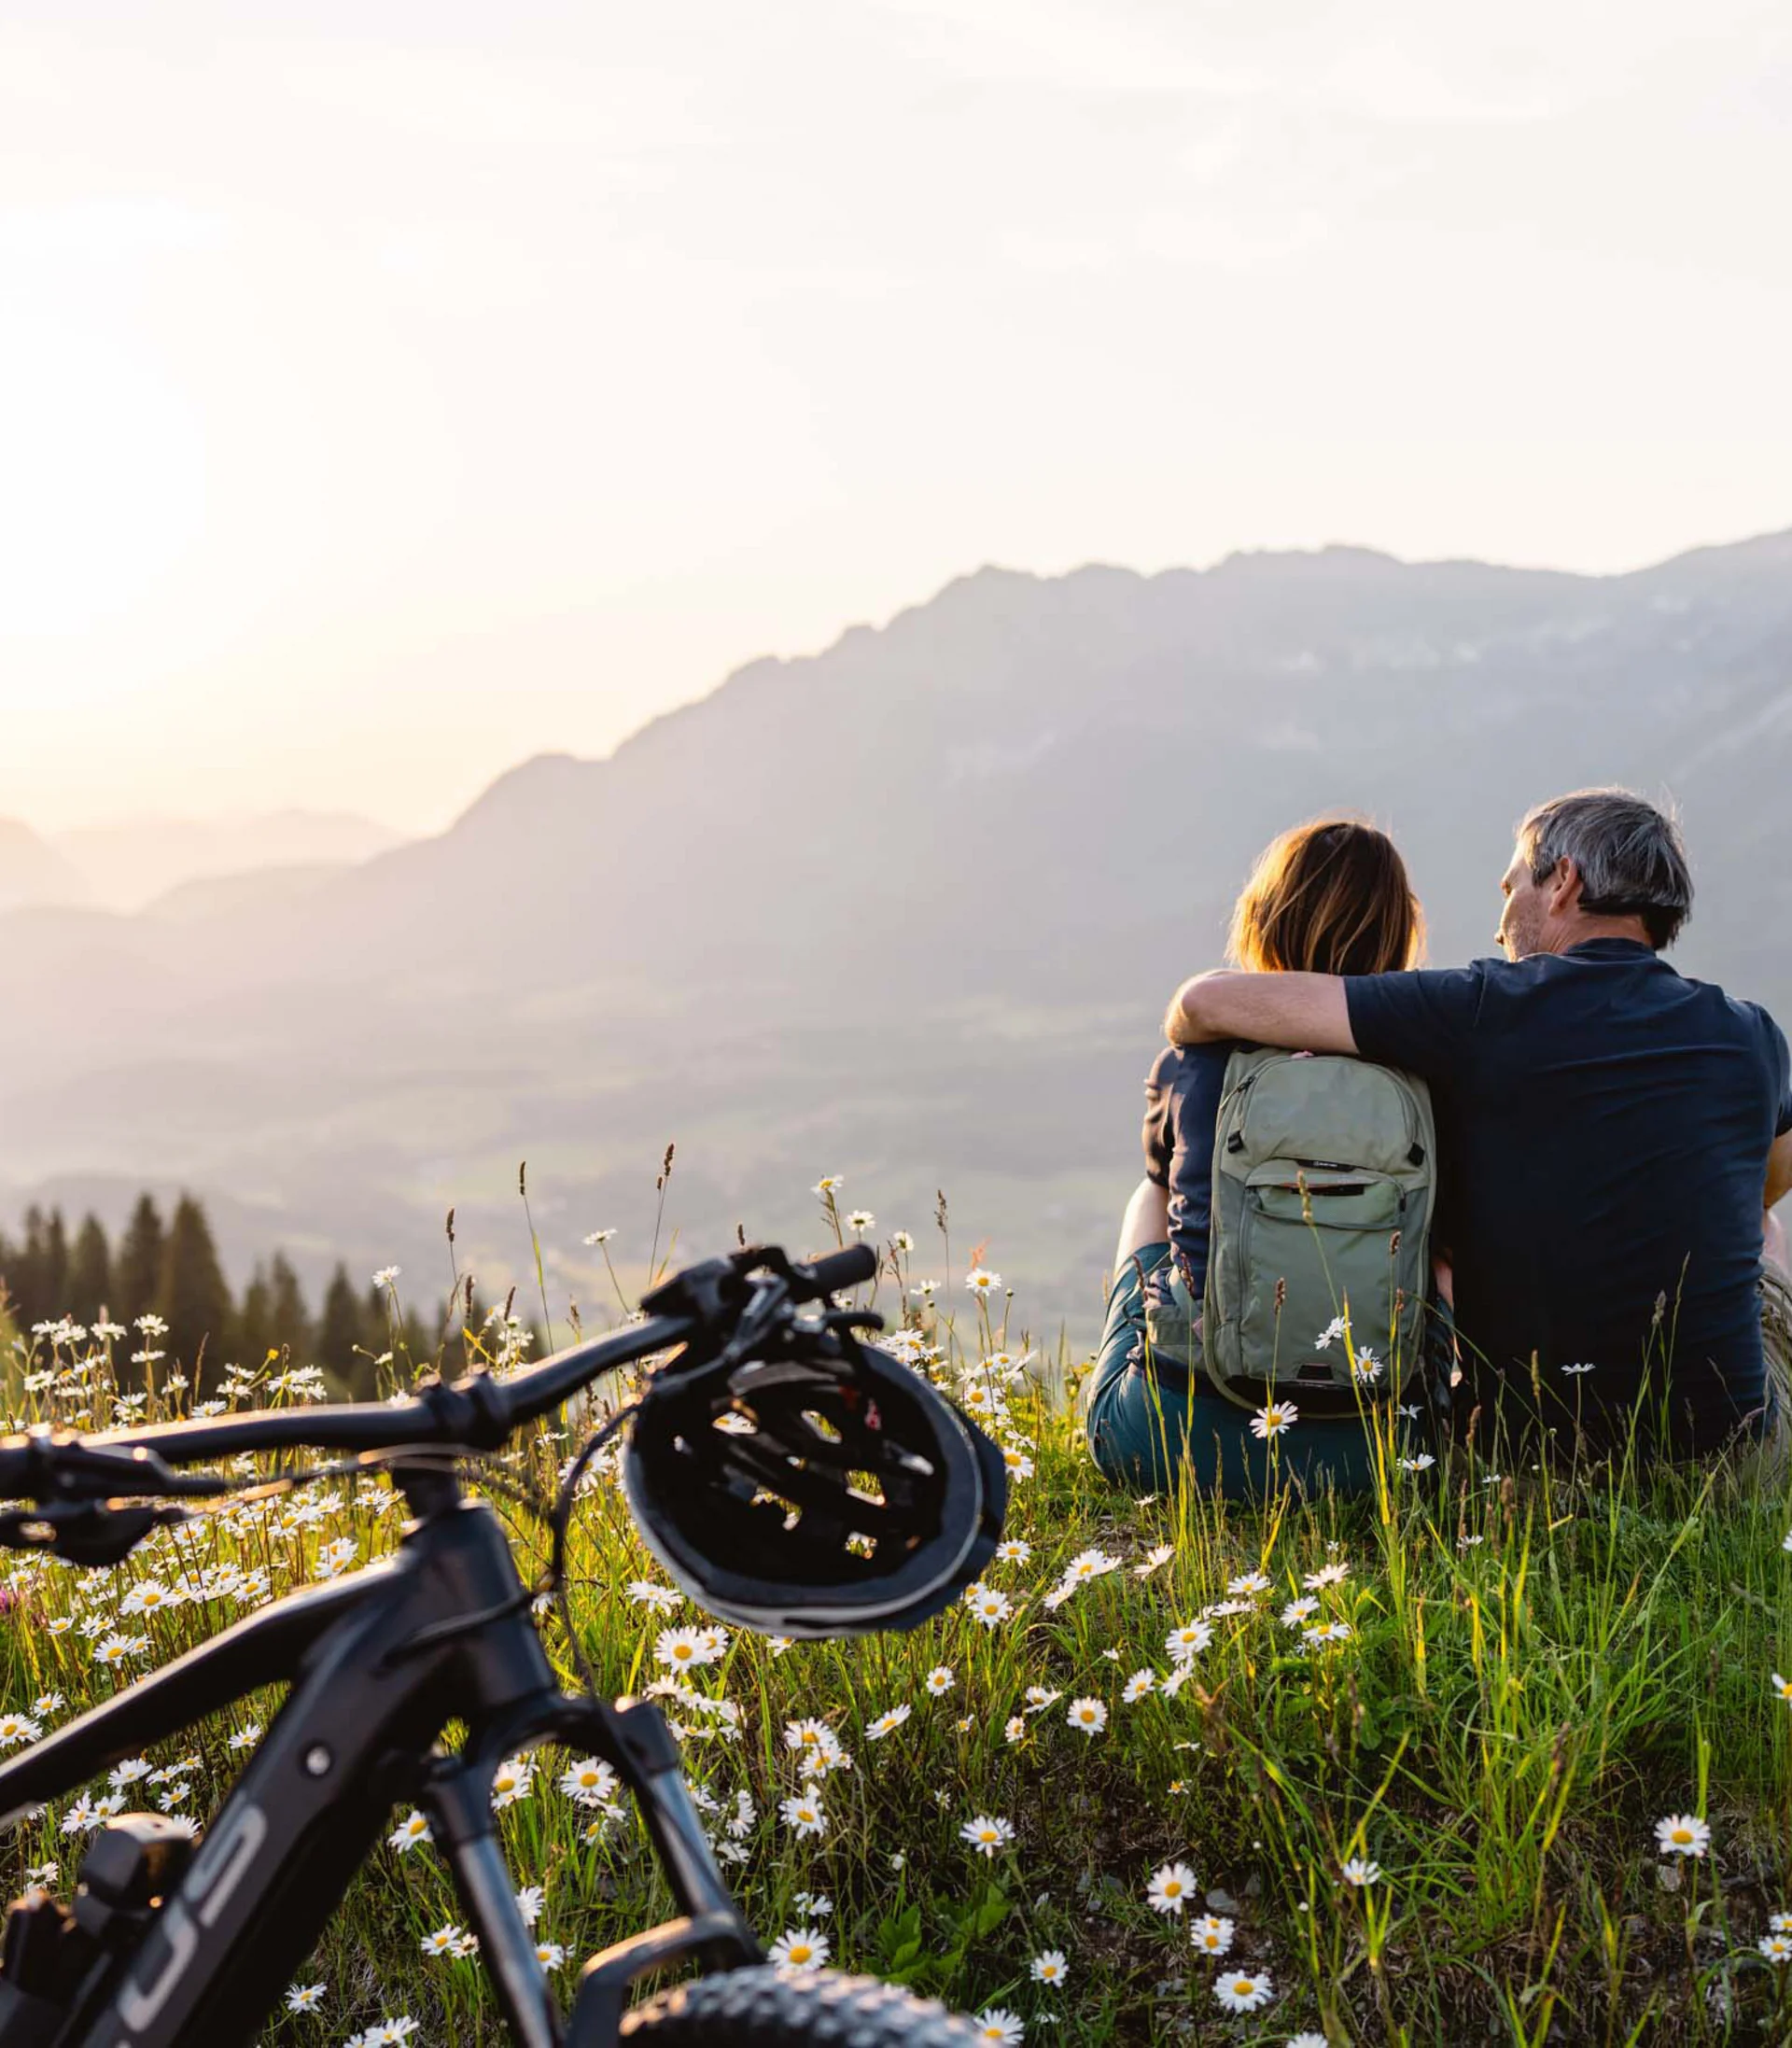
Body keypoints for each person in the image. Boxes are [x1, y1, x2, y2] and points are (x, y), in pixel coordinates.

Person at [1164, 788, 1792, 1466]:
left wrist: (1178, 1038)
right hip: (1727, 1464)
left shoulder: (1478, 1009)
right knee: (1765, 1228)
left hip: (1527, 1461)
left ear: (1564, 884)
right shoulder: (1751, 1036)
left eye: (1510, 886)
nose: (1500, 924)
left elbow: (1205, 1002)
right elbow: (1765, 1186)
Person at [1086, 818, 1427, 1494]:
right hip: (1379, 1459)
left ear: (1264, 920)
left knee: (1153, 1192)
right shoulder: (1424, 1075)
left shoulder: (1193, 1061)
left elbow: (1172, 1187)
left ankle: (1149, 1362)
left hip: (1168, 1441)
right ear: (1398, 930)